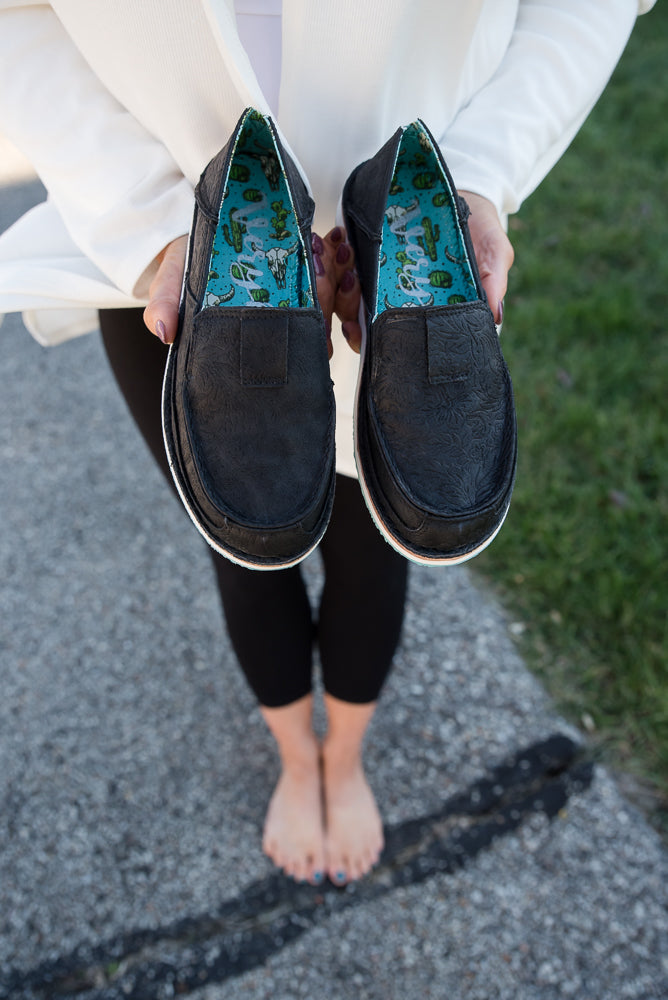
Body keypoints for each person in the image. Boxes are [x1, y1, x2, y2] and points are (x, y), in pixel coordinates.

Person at [0, 0, 654, 887]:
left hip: (419, 248)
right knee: (245, 534)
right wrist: (145, 220)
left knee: (376, 545)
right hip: (171, 241)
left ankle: (341, 760)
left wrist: (486, 172)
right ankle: (295, 760)